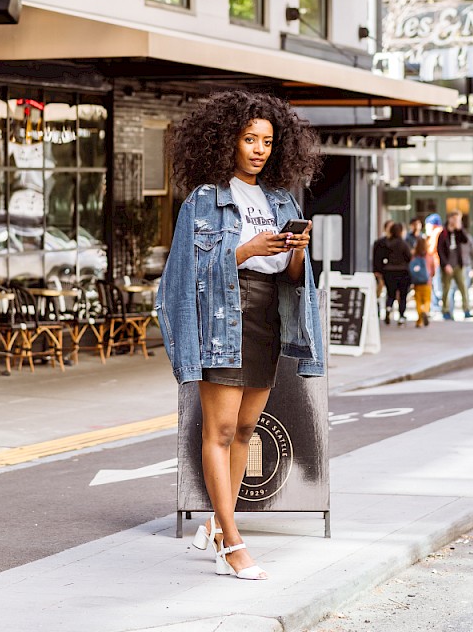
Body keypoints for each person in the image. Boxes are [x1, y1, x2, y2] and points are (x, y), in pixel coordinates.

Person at [156, 90, 324, 581]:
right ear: (226, 140)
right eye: (249, 139)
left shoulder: (280, 201)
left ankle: (215, 523)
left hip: (267, 316)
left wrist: (297, 250)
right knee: (221, 431)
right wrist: (245, 250)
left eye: (267, 142)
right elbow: (184, 277)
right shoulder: (204, 202)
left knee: (247, 432)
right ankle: (231, 543)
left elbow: (293, 277)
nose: (258, 149)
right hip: (222, 321)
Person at [436, 211, 473, 320]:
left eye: (458, 219)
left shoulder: (459, 232)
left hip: (459, 264)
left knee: (463, 288)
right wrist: (445, 264)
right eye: (454, 219)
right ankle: (446, 310)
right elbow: (440, 251)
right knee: (446, 289)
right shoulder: (443, 233)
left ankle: (466, 309)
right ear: (449, 219)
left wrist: (459, 228)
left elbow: (466, 240)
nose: (456, 221)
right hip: (447, 265)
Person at [373, 221, 412, 325]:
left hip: (389, 271)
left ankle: (389, 308)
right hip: (402, 272)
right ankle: (401, 316)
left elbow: (380, 258)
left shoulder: (386, 244)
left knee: (391, 294)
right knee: (402, 296)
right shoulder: (403, 244)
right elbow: (409, 257)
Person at [409, 236, 435, 327]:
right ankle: (425, 311)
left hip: (417, 283)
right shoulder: (429, 256)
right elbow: (433, 270)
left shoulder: (414, 257)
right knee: (427, 300)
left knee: (418, 301)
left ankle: (419, 321)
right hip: (427, 283)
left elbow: (411, 269)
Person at [424, 213, 444, 313]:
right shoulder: (438, 232)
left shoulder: (436, 232)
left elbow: (431, 249)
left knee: (436, 285)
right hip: (435, 262)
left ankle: (436, 306)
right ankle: (436, 306)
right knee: (436, 285)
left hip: (436, 262)